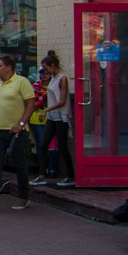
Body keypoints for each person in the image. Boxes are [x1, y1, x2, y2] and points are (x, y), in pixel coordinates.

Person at [0, 54, 35, 214]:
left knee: (19, 163)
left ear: (9, 67)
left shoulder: (22, 82)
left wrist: (21, 123)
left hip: (17, 131)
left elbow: (31, 104)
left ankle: (23, 196)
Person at [35, 51, 75, 188]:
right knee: (43, 144)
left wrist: (46, 109)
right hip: (52, 116)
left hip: (61, 116)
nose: (45, 72)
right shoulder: (53, 78)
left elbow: (62, 100)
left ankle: (70, 175)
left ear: (53, 66)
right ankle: (41, 175)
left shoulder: (62, 79)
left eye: (46, 69)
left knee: (63, 147)